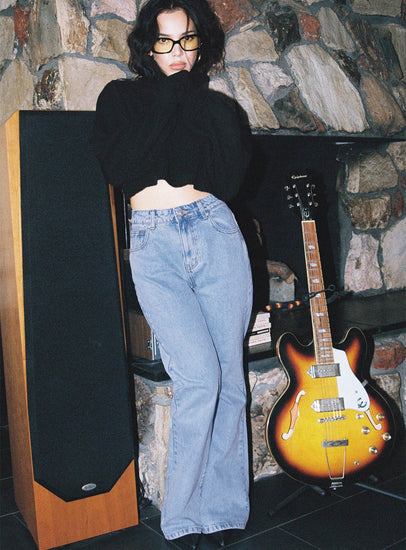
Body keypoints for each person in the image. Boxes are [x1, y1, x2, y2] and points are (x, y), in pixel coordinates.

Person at [91, 1, 253, 548]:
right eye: (165, 41)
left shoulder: (219, 108)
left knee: (229, 379)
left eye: (187, 39)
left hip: (215, 232)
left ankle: (224, 510)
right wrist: (171, 94)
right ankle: (182, 518)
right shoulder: (120, 98)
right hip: (154, 242)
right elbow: (122, 168)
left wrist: (190, 100)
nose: (178, 51)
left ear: (201, 43)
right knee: (199, 377)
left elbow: (224, 180)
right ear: (148, 46)